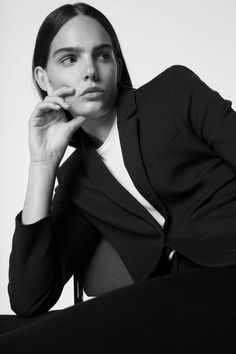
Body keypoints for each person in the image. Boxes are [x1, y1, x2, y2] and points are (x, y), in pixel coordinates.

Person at [1, 2, 236, 353]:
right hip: (166, 304)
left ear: (117, 65)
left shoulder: (174, 92)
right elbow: (29, 298)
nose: (90, 72)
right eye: (70, 59)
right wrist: (42, 165)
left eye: (103, 56)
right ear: (44, 79)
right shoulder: (76, 178)